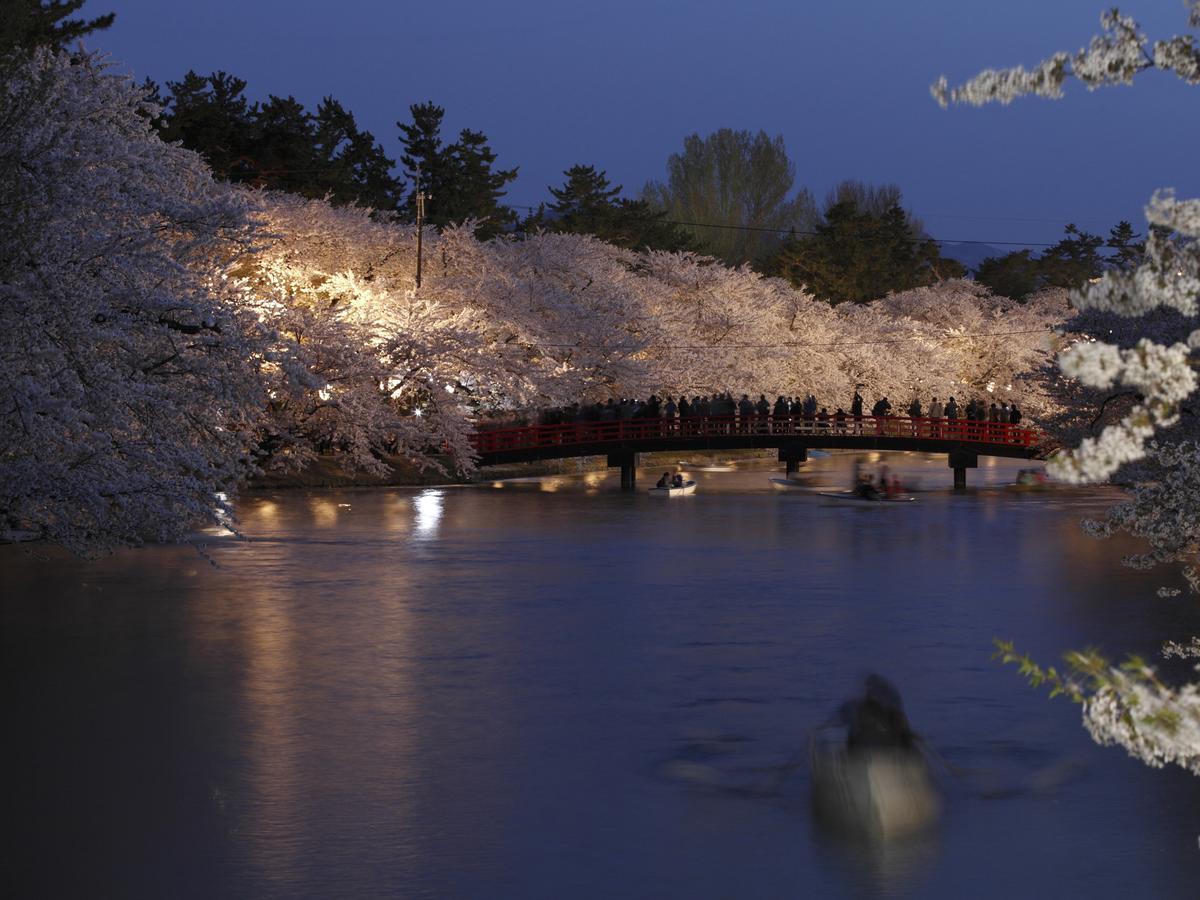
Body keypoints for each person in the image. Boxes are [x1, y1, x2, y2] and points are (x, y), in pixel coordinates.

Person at [836, 674, 918, 752]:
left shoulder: (892, 712)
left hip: (888, 751)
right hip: (869, 751)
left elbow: (904, 734)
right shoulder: (861, 709)